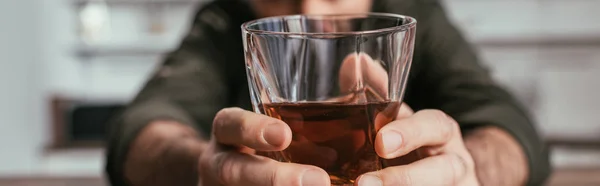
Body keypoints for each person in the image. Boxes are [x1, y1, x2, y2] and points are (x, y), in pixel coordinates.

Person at [105, 0, 551, 185]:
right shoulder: (225, 21)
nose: (309, 14)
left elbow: (506, 123)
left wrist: (461, 169)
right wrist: (206, 167)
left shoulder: (413, 14)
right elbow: (145, 127)